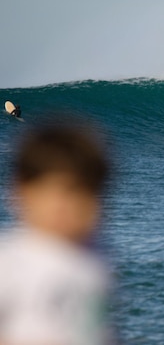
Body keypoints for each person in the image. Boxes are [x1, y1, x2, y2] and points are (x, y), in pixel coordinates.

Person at [0, 120, 113, 345]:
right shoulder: (10, 263)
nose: (71, 208)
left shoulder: (95, 254)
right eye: (59, 195)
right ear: (21, 192)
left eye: (85, 194)